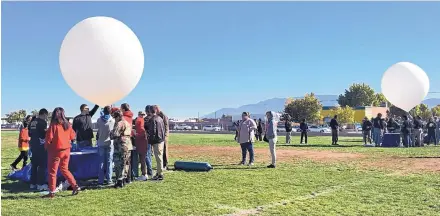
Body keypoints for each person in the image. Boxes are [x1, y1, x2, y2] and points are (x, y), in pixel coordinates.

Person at [43, 107, 80, 198]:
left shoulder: (53, 125)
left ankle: (52, 192)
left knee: (52, 172)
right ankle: (75, 185)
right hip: (66, 150)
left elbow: (48, 139)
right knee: (64, 169)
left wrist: (46, 147)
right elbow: (73, 136)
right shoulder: (67, 124)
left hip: (55, 151)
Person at [111, 110, 133, 188]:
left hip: (120, 145)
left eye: (114, 117)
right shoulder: (127, 122)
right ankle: (123, 179)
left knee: (118, 163)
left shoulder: (119, 123)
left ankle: (119, 181)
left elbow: (114, 134)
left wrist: (111, 133)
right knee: (125, 163)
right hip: (128, 144)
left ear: (117, 117)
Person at [29, 108, 49, 191]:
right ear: (44, 114)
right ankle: (40, 184)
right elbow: (45, 134)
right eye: (46, 116)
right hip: (40, 145)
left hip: (33, 144)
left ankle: (33, 183)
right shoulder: (42, 122)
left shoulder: (33, 121)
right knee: (42, 165)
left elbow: (29, 133)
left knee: (34, 165)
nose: (46, 118)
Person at [144, 105, 166, 180]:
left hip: (156, 141)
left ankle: (160, 175)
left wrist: (150, 140)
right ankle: (159, 172)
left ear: (150, 111)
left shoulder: (153, 119)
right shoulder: (160, 118)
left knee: (158, 158)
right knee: (159, 157)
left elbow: (153, 131)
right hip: (161, 140)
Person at [96, 106, 115, 186]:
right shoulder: (113, 120)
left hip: (101, 143)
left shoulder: (99, 120)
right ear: (110, 111)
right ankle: (109, 179)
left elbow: (98, 130)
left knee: (101, 162)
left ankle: (100, 180)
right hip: (110, 143)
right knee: (109, 162)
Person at [121, 103, 136, 184]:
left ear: (123, 109)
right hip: (130, 139)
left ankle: (124, 178)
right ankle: (129, 178)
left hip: (124, 139)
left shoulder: (123, 118)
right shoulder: (130, 117)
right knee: (128, 160)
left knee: (123, 160)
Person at [134, 111, 149, 181]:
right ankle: (144, 174)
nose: (142, 116)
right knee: (142, 159)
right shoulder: (141, 126)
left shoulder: (142, 129)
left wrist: (134, 134)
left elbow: (140, 135)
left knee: (142, 159)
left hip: (142, 145)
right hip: (141, 145)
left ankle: (144, 174)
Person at [154, 105, 170, 170]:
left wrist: (165, 135)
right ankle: (162, 164)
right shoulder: (156, 115)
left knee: (164, 149)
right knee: (160, 150)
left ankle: (165, 164)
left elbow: (166, 126)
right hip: (160, 135)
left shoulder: (163, 115)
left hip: (164, 135)